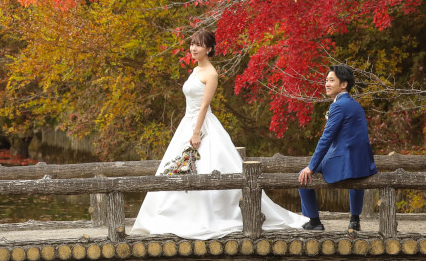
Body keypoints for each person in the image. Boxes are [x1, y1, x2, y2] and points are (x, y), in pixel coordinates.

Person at [130, 31, 308, 239]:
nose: (193, 48)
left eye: (199, 45)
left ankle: (215, 216)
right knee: (177, 169)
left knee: (210, 166)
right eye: (192, 44)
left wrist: (197, 133)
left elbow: (205, 105)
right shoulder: (195, 70)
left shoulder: (211, 74)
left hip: (202, 125)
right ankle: (175, 216)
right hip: (187, 122)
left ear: (210, 49)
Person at [298, 65, 378, 231]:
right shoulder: (355, 104)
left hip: (343, 159)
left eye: (331, 80)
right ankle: (354, 220)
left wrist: (310, 167)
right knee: (356, 178)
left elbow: (326, 138)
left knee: (302, 176)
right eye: (326, 80)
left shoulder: (338, 106)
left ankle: (314, 221)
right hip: (362, 162)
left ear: (344, 84)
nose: (326, 84)